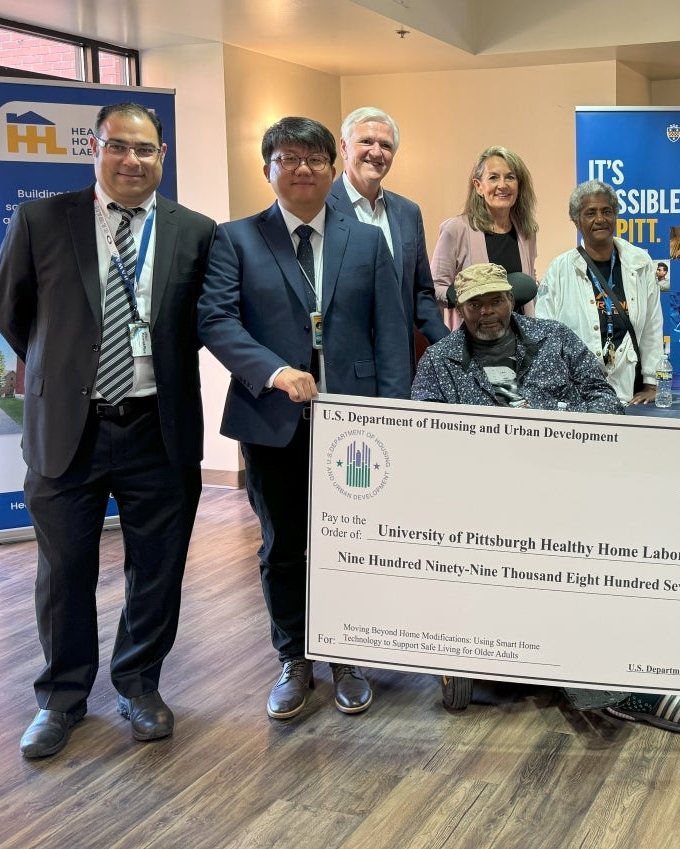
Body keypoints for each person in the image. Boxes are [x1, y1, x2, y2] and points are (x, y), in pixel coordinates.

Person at [0, 102, 217, 758]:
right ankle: (61, 699)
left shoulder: (193, 231)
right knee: (64, 571)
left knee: (158, 567)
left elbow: (207, 320)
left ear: (162, 157)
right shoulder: (41, 220)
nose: (132, 161)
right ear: (96, 147)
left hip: (159, 426)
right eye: (119, 146)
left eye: (146, 150)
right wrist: (66, 368)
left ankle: (139, 684)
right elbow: (14, 313)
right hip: (70, 425)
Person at [412, 263, 680, 733]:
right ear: (461, 310)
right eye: (475, 304)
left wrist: (547, 414)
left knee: (610, 550)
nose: (487, 312)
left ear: (512, 300)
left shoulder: (556, 338)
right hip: (486, 501)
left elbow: (604, 400)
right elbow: (422, 436)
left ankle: (625, 669)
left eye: (495, 300)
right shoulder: (438, 361)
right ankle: (616, 689)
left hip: (567, 485)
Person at [198, 117, 411, 721]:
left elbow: (390, 333)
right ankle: (294, 658)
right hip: (272, 421)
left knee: (352, 544)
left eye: (315, 158)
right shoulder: (235, 239)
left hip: (355, 426)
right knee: (284, 544)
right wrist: (271, 370)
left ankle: (346, 657)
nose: (303, 169)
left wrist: (390, 414)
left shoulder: (365, 241)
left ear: (332, 165)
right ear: (267, 168)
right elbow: (217, 320)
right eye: (288, 158)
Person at [328, 106, 448, 360]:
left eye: (386, 145)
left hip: (399, 360)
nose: (376, 152)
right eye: (366, 141)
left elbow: (421, 292)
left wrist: (448, 345)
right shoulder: (321, 209)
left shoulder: (408, 212)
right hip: (342, 363)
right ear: (344, 147)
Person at [537, 180, 663, 405]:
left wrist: (652, 383)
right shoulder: (560, 270)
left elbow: (652, 327)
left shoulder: (640, 263)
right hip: (578, 394)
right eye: (590, 213)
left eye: (607, 211)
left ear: (615, 215)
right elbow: (546, 336)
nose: (600, 219)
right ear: (577, 221)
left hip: (631, 393)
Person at [431, 145, 538, 331]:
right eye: (494, 177)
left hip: (520, 341)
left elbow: (528, 279)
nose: (502, 185)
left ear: (519, 185)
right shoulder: (455, 229)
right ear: (479, 186)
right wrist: (466, 295)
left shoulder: (526, 230)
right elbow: (435, 286)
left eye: (510, 177)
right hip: (474, 341)